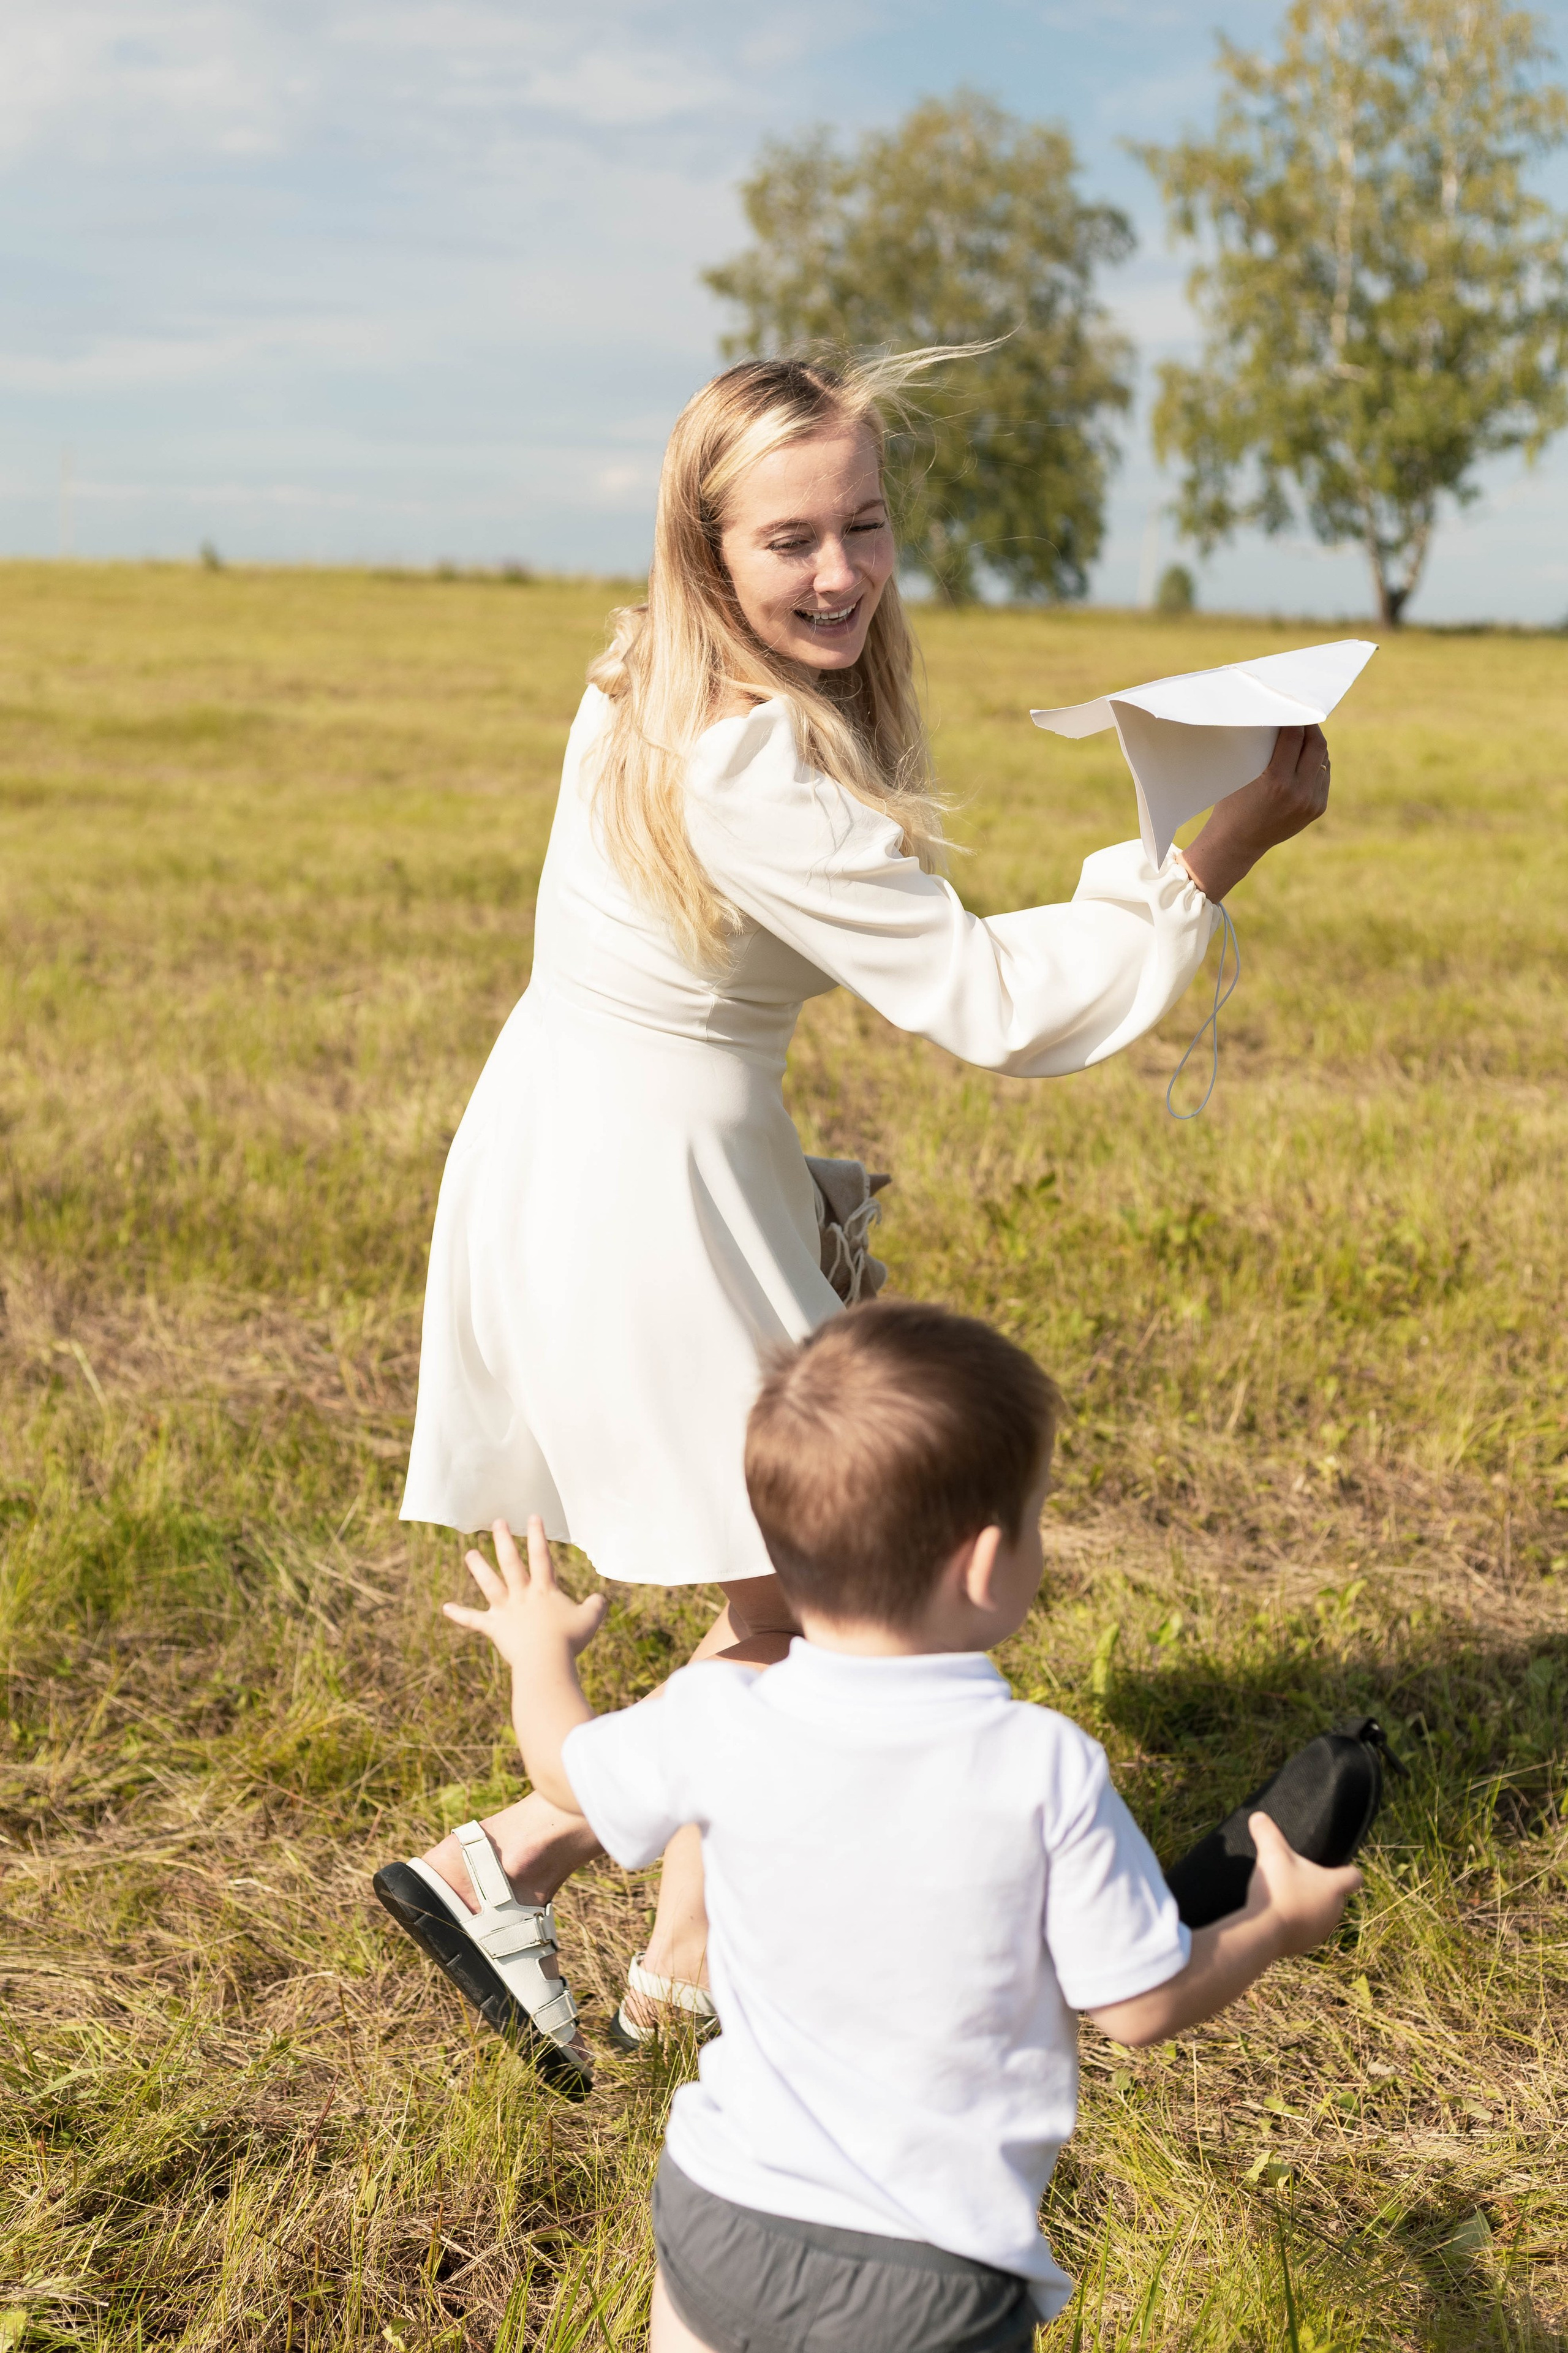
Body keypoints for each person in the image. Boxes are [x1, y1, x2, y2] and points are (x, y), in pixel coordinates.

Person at [374, 348, 1334, 2085]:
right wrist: (1215, 852)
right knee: (819, 1607)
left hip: (604, 1135)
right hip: (641, 1177)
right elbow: (984, 1000)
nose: (839, 573)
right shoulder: (750, 761)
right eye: (791, 540)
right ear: (708, 549)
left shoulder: (643, 669)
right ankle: (503, 1862)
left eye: (867, 525)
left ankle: (681, 1958)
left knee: (777, 1591)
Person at [441, 1301, 1363, 2353]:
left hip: (719, 2212)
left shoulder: (719, 1713)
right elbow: (1141, 2003)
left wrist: (538, 1651)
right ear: (983, 1565)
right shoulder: (1042, 1766)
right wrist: (1277, 1922)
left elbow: (560, 1767)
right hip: (923, 2279)